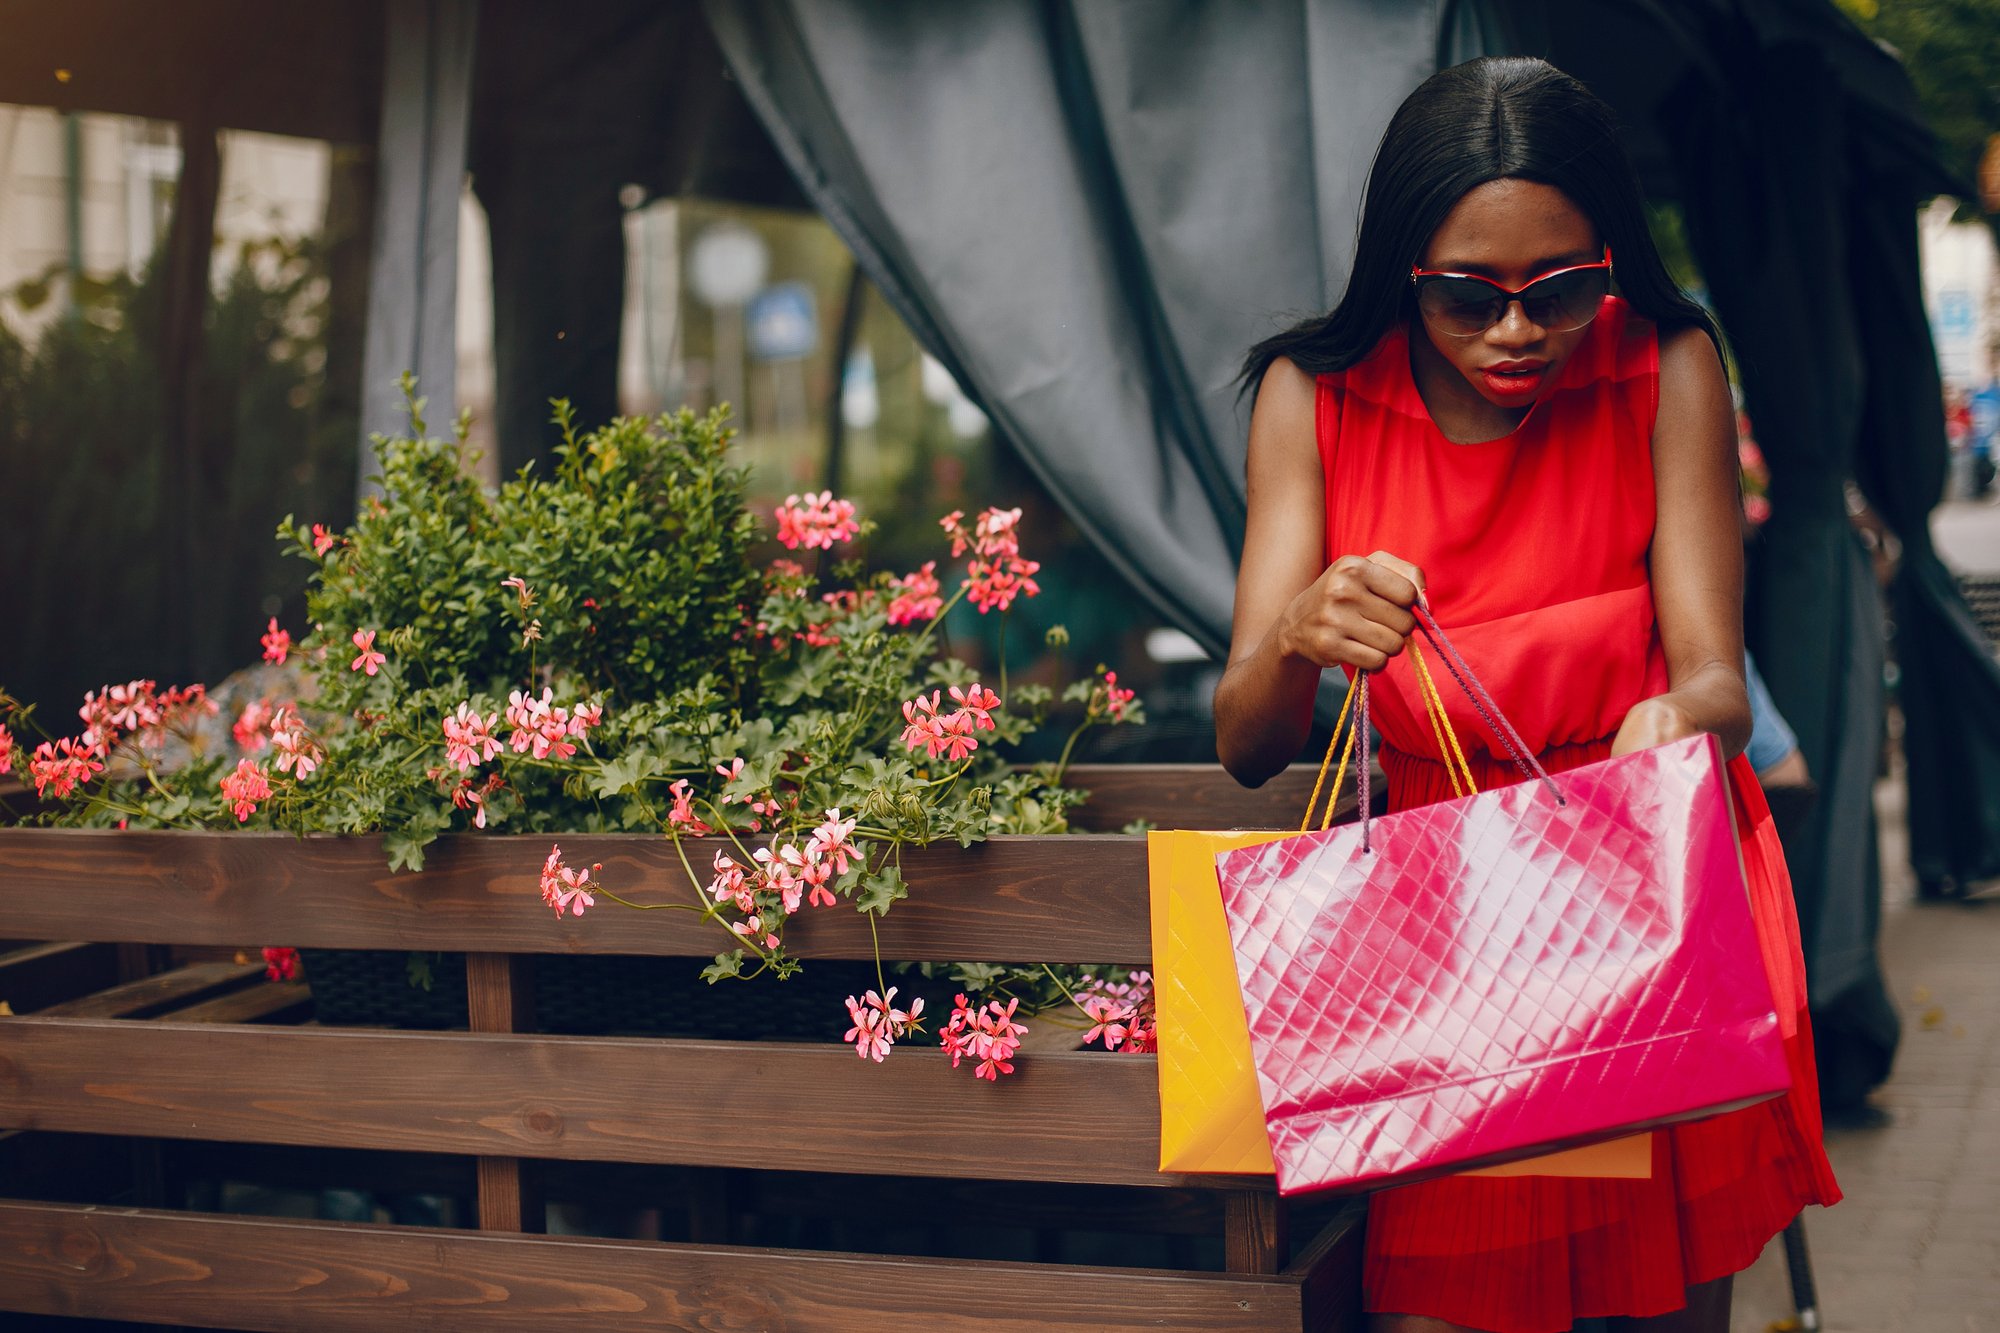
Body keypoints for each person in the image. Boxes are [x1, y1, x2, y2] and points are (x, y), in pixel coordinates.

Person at [1214, 57, 1840, 1333]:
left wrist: (1683, 715)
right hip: (1438, 923)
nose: (1515, 331)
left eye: (1560, 289)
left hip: (1639, 888)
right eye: (1465, 295)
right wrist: (1294, 632)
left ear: (1608, 259)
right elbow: (1245, 742)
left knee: (1666, 1309)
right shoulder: (1315, 395)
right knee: (1446, 1305)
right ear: (1401, 264)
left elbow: (1714, 669)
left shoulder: (1662, 364)